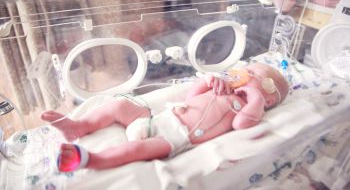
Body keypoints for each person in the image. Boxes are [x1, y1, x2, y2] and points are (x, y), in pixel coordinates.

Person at [41, 62, 289, 172]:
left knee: (136, 150)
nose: (245, 72)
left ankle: (92, 160)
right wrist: (207, 82)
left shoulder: (245, 107)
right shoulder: (225, 89)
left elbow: (241, 125)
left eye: (254, 73)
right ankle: (80, 126)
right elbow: (191, 97)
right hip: (159, 117)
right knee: (119, 106)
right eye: (245, 69)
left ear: (268, 98)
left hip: (175, 137)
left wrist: (254, 100)